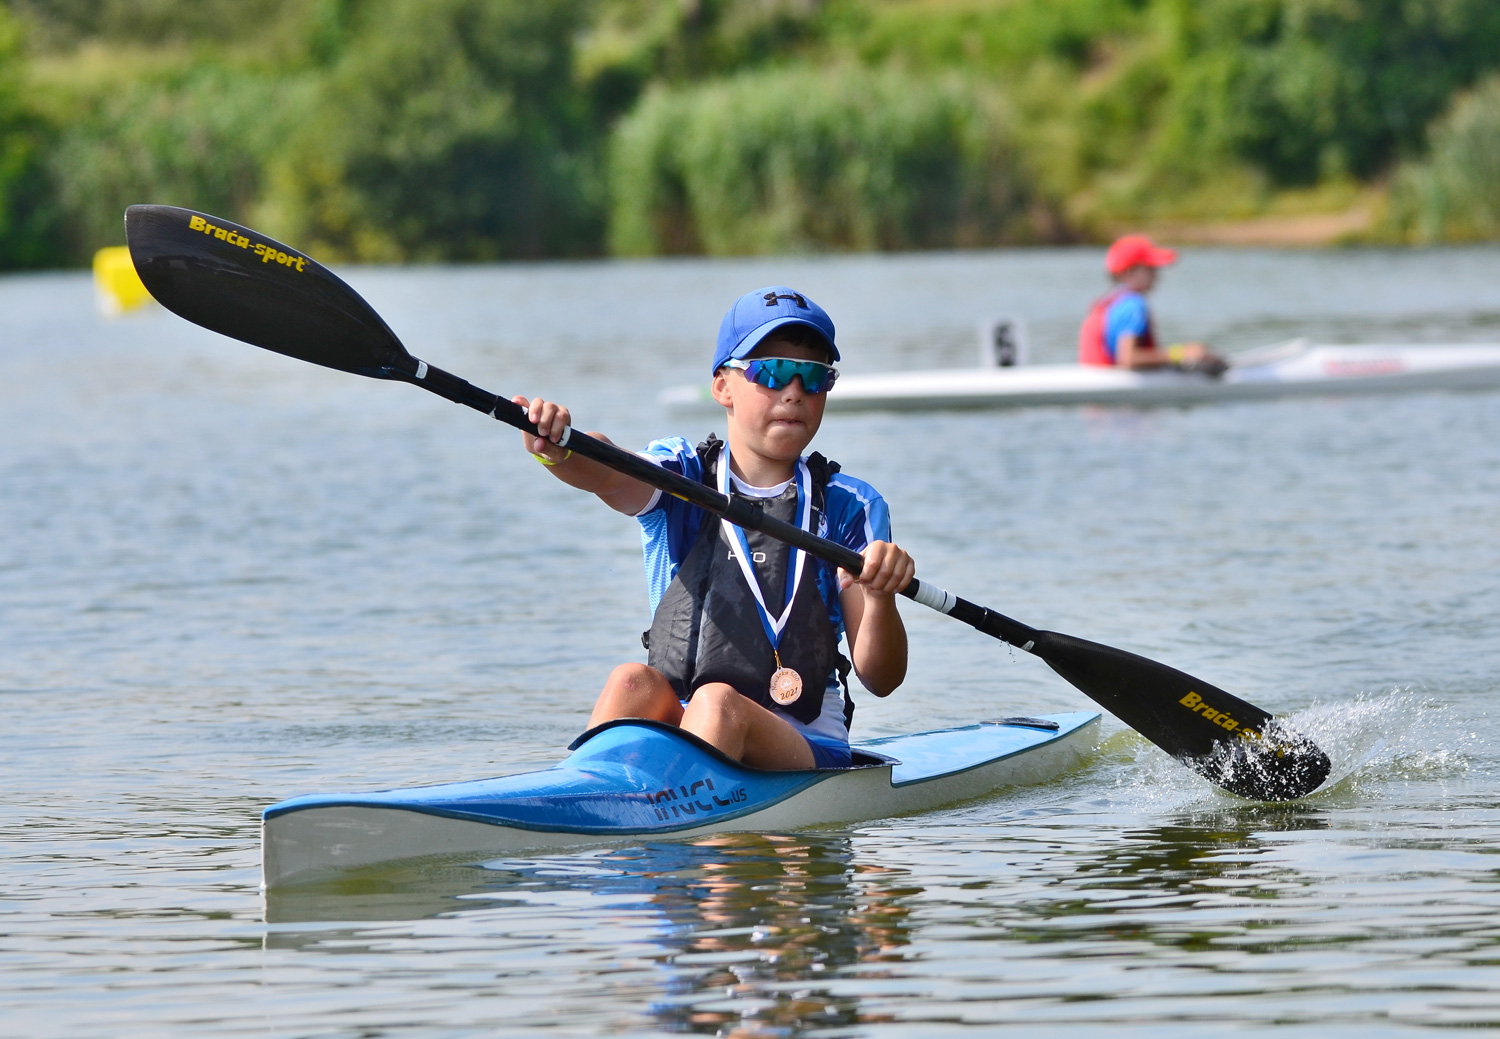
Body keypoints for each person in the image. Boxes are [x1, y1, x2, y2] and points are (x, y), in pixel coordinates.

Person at [514, 287, 915, 771]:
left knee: (716, 702)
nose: (793, 391)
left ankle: (679, 833)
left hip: (804, 741)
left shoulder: (851, 506)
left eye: (812, 377)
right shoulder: (682, 474)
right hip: (690, 725)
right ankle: (580, 800)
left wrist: (880, 598)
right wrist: (559, 447)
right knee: (631, 681)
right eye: (771, 371)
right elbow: (606, 468)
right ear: (722, 386)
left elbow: (881, 677)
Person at [1079, 234, 1226, 374]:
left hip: (1099, 378)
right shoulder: (1133, 304)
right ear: (1129, 272)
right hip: (1116, 387)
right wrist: (1182, 353)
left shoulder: (1111, 300)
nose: (1157, 275)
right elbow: (1129, 359)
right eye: (1150, 268)